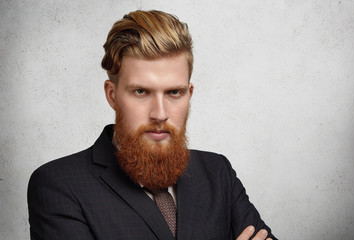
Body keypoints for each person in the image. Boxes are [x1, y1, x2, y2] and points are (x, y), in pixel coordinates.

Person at [27, 10, 277, 240]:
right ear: (112, 95)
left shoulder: (218, 173)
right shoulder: (58, 185)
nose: (160, 113)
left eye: (174, 93)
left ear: (189, 94)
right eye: (141, 91)